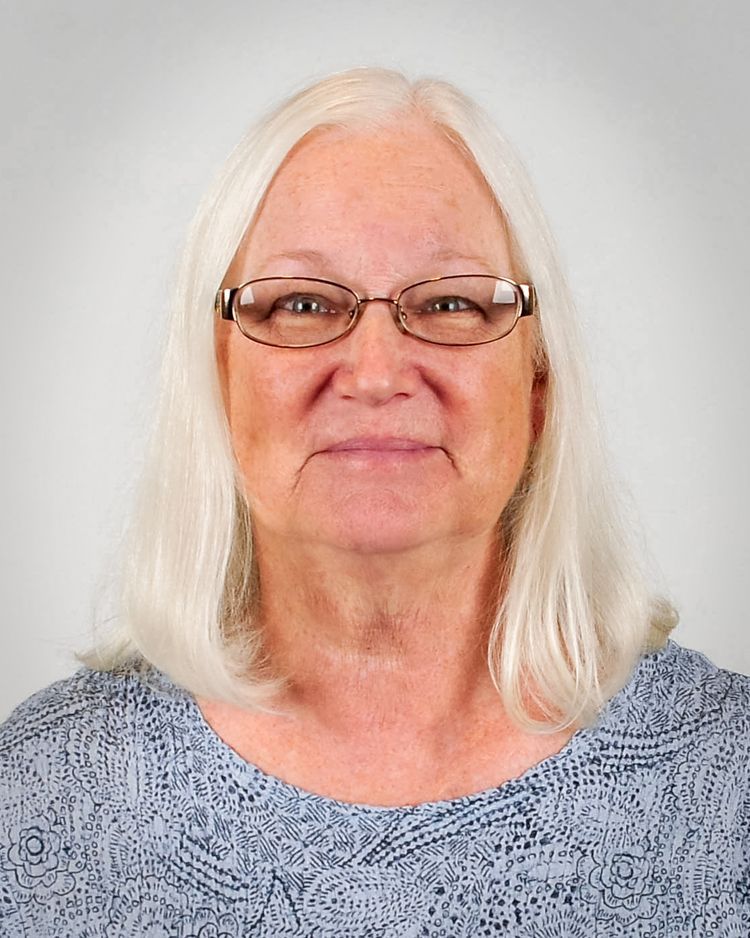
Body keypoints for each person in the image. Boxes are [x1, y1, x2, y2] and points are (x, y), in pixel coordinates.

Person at [1, 67, 747, 937]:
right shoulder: (44, 793)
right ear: (218, 380)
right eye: (303, 304)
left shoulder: (729, 783)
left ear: (539, 385)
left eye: (454, 303)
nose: (377, 373)